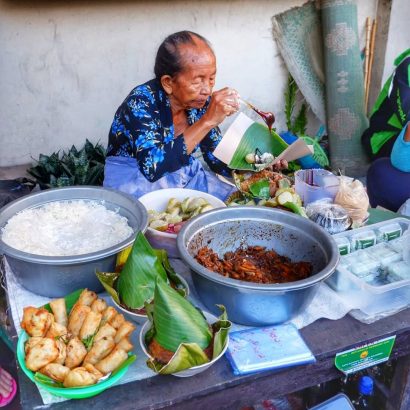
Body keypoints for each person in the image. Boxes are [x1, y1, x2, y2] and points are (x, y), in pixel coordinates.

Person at [104, 31, 286, 200]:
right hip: (134, 180)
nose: (207, 90)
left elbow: (217, 159)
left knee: (238, 201)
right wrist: (207, 120)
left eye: (211, 79)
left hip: (183, 175)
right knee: (157, 217)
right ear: (168, 83)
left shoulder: (199, 103)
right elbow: (152, 168)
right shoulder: (141, 102)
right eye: (198, 81)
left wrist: (260, 164)